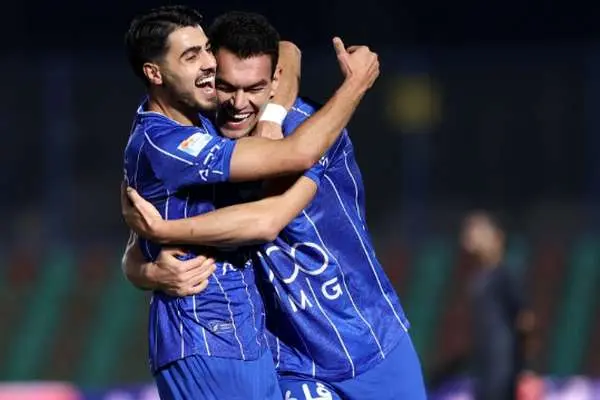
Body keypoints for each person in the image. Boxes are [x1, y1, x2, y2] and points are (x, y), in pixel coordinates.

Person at [123, 11, 426, 399]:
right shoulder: (201, 135)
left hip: (366, 339)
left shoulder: (310, 128)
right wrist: (150, 271)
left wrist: (275, 116)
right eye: (226, 86)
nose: (238, 103)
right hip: (285, 358)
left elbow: (288, 51)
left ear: (274, 81)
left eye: (254, 88)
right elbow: (138, 244)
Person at [461, 211, 537, 400]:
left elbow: (525, 320)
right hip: (483, 366)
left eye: (478, 231)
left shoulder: (506, 275)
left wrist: (525, 366)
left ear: (496, 238)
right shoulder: (477, 279)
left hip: (503, 366)